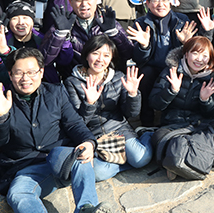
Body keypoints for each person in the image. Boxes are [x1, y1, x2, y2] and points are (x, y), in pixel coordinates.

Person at [0, 48, 113, 213]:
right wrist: (1, 118)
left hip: (59, 159)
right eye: (19, 73)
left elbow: (75, 124)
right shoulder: (1, 102)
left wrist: (89, 142)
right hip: (25, 167)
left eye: (31, 72)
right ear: (10, 75)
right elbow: (0, 143)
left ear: (41, 72)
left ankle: (86, 210)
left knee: (81, 153)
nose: (25, 78)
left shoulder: (56, 92)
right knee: (17, 194)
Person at [65, 35, 152, 182]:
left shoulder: (118, 77)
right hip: (93, 135)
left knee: (141, 159)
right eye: (95, 53)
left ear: (111, 58)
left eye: (106, 55)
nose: (100, 59)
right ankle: (123, 162)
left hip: (119, 128)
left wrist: (132, 94)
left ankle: (146, 134)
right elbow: (77, 121)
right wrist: (89, 103)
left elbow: (131, 113)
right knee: (98, 174)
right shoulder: (72, 82)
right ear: (86, 55)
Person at [149, 36, 214, 179]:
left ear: (210, 59)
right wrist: (171, 91)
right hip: (173, 125)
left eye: (205, 56)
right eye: (195, 53)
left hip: (198, 126)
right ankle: (204, 153)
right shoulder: (170, 72)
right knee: (157, 137)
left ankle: (175, 160)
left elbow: (213, 113)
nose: (199, 59)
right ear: (186, 54)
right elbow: (155, 104)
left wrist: (205, 100)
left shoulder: (212, 79)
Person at [127, 0, 195, 126]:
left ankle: (171, 119)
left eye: (164, 0)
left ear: (170, 1)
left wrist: (185, 44)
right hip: (151, 67)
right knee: (144, 75)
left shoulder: (182, 20)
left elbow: (192, 54)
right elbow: (138, 59)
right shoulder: (141, 23)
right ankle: (146, 122)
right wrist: (144, 46)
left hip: (175, 67)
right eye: (155, 0)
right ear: (148, 3)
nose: (161, 4)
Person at [40, 0, 133, 79]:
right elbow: (44, 60)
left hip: (107, 81)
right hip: (74, 81)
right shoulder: (62, 25)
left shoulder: (108, 22)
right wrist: (60, 35)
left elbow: (129, 54)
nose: (84, 4)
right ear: (70, 2)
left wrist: (114, 34)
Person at [3, 1, 66, 83]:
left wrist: (64, 37)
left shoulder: (45, 39)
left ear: (33, 21)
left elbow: (65, 60)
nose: (21, 22)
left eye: (25, 17)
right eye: (15, 18)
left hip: (46, 85)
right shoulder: (3, 42)